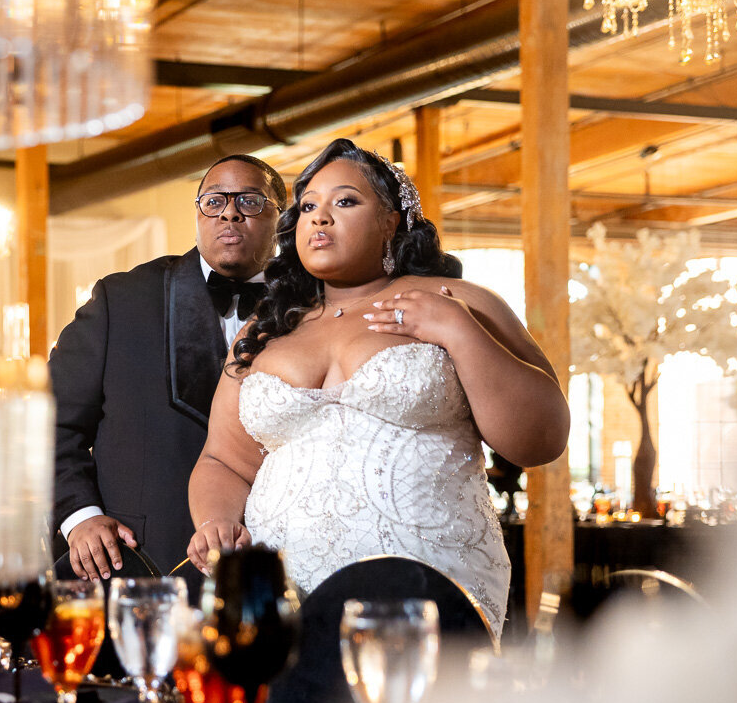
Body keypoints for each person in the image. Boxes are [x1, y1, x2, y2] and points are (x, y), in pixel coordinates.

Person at [186, 138, 569, 633]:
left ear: (392, 221)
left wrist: (457, 330)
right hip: (282, 595)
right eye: (308, 207)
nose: (319, 218)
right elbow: (223, 460)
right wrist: (215, 522)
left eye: (344, 201)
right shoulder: (266, 327)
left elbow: (542, 437)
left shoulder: (460, 301)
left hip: (427, 586)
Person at [50, 155, 288, 582]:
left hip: (276, 560)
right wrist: (80, 516)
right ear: (198, 213)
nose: (229, 212)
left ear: (281, 217)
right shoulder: (121, 301)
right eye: (214, 201)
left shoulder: (312, 309)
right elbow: (46, 422)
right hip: (141, 561)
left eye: (249, 201)